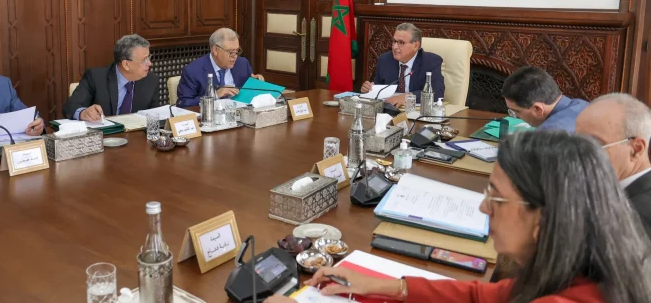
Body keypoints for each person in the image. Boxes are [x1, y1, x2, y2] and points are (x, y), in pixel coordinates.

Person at [267, 131, 651, 303]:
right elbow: (480, 295)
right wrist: (385, 286)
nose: (483, 208)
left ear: (544, 218)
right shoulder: (583, 268)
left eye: (495, 198)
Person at [575, 93, 651, 237]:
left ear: (636, 149)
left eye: (593, 144)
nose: (579, 154)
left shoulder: (638, 217)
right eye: (577, 142)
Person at [63, 34, 160, 121]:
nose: (149, 63)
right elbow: (70, 106)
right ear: (126, 64)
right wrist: (83, 113)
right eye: (144, 60)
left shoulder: (151, 80)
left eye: (148, 57)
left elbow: (155, 117)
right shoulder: (95, 78)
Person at [360, 23, 444, 107]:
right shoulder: (385, 60)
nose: (395, 47)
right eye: (394, 41)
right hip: (390, 110)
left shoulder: (431, 62)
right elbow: (378, 87)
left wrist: (406, 97)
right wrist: (369, 89)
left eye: (401, 42)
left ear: (415, 45)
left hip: (416, 111)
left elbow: (437, 92)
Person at [176, 28, 264, 107]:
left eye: (237, 51)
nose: (235, 56)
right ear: (215, 50)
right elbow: (183, 103)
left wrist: (256, 83)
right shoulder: (193, 71)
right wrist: (214, 95)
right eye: (230, 52)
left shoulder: (242, 64)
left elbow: (249, 94)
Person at [501, 66, 587, 130]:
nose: (516, 117)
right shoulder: (584, 105)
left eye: (516, 112)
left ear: (537, 109)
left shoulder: (547, 135)